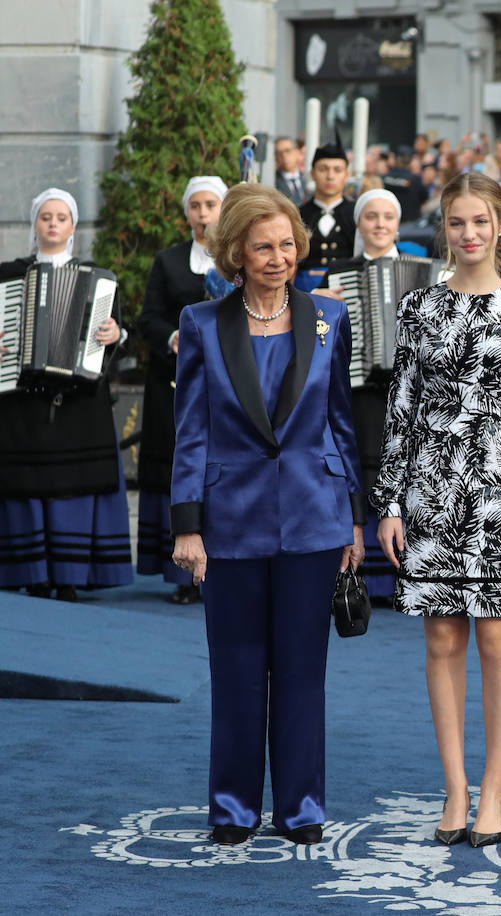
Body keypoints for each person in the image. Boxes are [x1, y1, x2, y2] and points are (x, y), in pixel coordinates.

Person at [373, 173, 501, 848]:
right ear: (444, 230)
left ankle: (494, 786)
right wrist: (391, 500)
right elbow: (401, 409)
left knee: (496, 638)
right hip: (433, 489)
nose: (468, 234)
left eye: (480, 221)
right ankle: (455, 787)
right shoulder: (418, 309)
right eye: (456, 223)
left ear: (499, 227)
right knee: (442, 637)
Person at [169, 183, 366, 846]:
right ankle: (232, 809)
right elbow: (190, 431)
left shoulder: (329, 317)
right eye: (263, 246)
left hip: (314, 515)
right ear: (237, 253)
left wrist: (353, 518)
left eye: (287, 244)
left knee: (304, 671)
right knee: (237, 669)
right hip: (228, 521)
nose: (278, 256)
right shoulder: (201, 325)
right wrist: (188, 525)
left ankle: (302, 810)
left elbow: (340, 422)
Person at [0, 189, 131, 599]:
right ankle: (34, 573)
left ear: (72, 227)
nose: (53, 224)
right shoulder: (7, 276)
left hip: (78, 401)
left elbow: (115, 332)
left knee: (76, 483)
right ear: (34, 225)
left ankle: (71, 576)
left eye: (61, 217)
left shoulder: (98, 277)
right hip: (22, 398)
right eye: (45, 217)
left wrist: (116, 334)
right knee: (26, 483)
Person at [315, 188, 415, 602]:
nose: (379, 224)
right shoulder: (340, 273)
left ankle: (406, 573)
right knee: (363, 477)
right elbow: (319, 335)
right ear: (359, 225)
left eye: (387, 217)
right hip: (361, 394)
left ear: (396, 224)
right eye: (370, 217)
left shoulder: (424, 271)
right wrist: (316, 306)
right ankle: (360, 576)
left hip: (410, 395)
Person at [136, 175, 228, 604]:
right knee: (180, 463)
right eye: (197, 206)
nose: (203, 213)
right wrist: (173, 338)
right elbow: (149, 317)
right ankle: (181, 576)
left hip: (226, 382)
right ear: (187, 212)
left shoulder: (235, 260)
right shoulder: (169, 260)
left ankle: (222, 566)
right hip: (174, 378)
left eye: (211, 205)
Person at [297, 133, 354, 275]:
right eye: (323, 169)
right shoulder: (298, 215)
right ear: (312, 174)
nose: (330, 176)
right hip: (304, 291)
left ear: (346, 175)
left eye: (337, 170)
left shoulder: (356, 214)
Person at [274, 137, 306, 206]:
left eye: (287, 151)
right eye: (279, 153)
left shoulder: (307, 179)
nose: (284, 155)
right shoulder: (273, 182)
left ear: (297, 152)